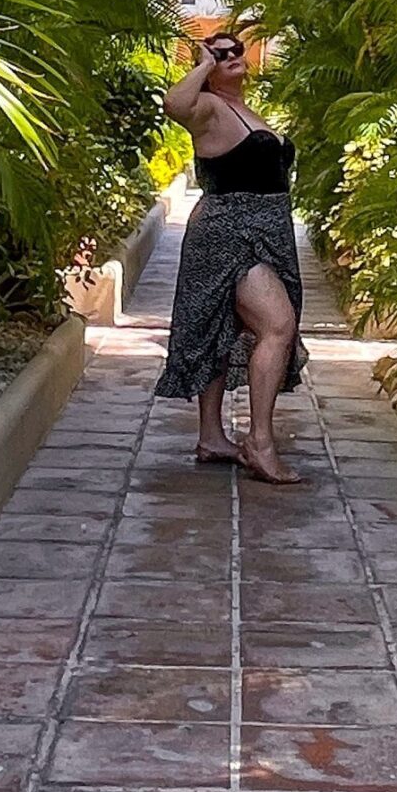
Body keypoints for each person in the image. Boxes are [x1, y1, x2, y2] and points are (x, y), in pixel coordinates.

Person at [154, 31, 308, 484]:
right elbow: (173, 105)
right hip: (230, 233)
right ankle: (259, 444)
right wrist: (202, 66)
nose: (233, 55)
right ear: (207, 64)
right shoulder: (207, 108)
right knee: (277, 326)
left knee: (225, 328)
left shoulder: (243, 108)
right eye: (221, 53)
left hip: (266, 231)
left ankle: (211, 438)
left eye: (236, 48)